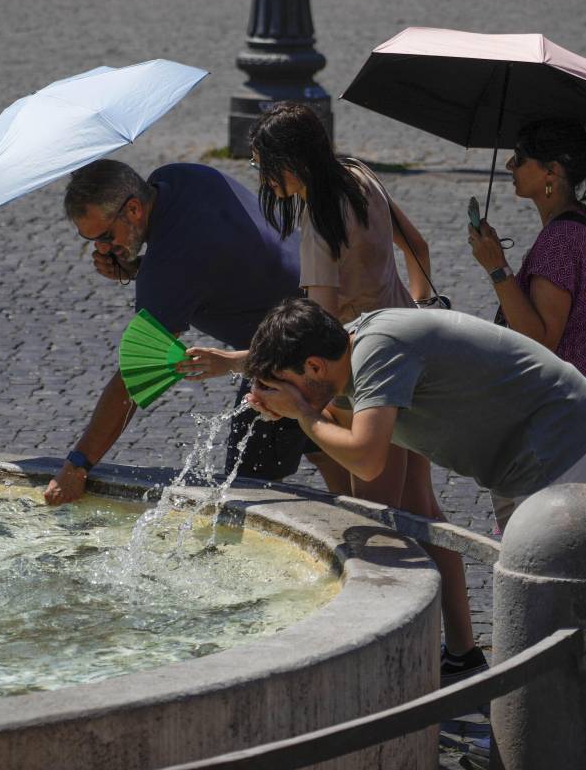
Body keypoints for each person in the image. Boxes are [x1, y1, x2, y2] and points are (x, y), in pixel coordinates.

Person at [181, 103, 481, 681]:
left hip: (366, 373)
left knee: (372, 520)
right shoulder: (359, 173)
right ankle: (462, 650)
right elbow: (415, 242)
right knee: (420, 508)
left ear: (291, 162)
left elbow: (318, 341)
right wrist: (416, 305)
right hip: (408, 349)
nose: (261, 175)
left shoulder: (318, 220)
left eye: (265, 164)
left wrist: (236, 365)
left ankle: (384, 660)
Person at [43, 159, 306, 505]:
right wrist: (138, 267)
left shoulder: (169, 271)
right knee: (335, 454)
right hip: (325, 303)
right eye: (91, 241)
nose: (102, 250)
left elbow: (136, 377)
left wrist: (77, 465)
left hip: (296, 349)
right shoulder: (177, 177)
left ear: (134, 208)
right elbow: (206, 257)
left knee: (247, 496)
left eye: (106, 237)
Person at [243, 298, 586, 535]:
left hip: (560, 434)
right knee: (529, 584)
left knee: (556, 584)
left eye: (287, 384)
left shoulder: (379, 351)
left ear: (313, 365)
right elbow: (345, 432)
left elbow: (366, 459)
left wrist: (303, 413)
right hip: (518, 457)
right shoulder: (348, 354)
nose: (288, 394)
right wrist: (291, 406)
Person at [468, 117, 586, 500]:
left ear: (552, 173)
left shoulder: (560, 242)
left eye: (521, 157)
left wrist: (497, 268)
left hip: (573, 402)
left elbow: (541, 338)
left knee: (559, 528)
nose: (510, 165)